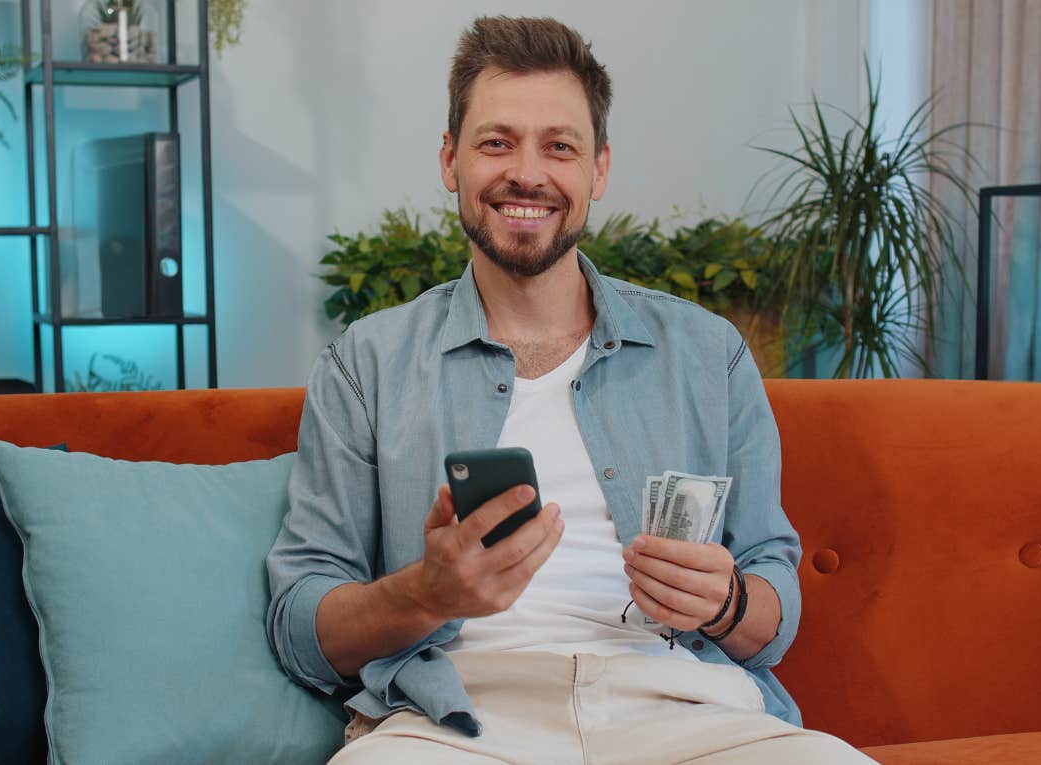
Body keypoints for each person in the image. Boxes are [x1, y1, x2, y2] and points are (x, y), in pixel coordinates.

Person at [266, 15, 875, 764]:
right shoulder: (368, 363)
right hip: (456, 717)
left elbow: (772, 607)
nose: (528, 173)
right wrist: (425, 592)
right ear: (450, 159)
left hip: (685, 708)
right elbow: (299, 625)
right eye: (497, 142)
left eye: (560, 146)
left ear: (599, 169)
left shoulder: (706, 353)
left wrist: (727, 601)